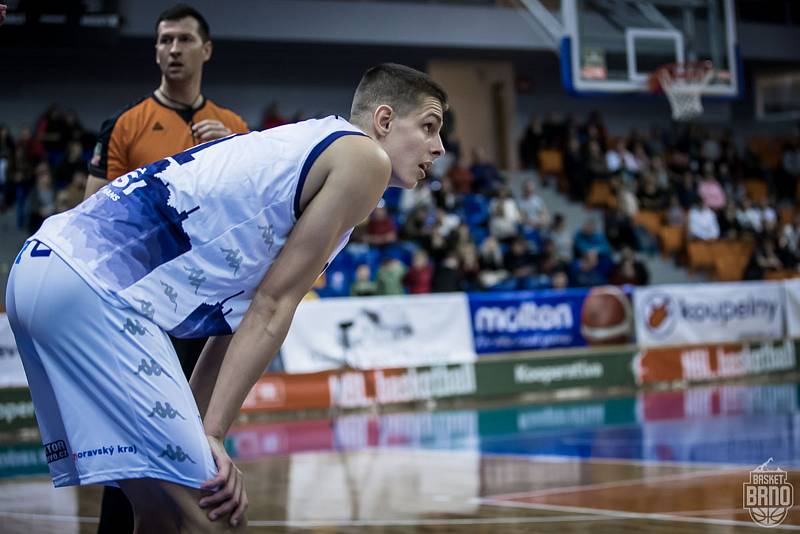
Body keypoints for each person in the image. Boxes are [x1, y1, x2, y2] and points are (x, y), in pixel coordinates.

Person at [6, 63, 447, 532]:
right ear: (383, 120)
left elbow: (235, 320)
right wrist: (211, 437)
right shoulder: (365, 159)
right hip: (94, 288)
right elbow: (272, 309)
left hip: (40, 268)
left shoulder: (307, 151)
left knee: (159, 515)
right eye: (429, 127)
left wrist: (204, 430)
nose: (439, 147)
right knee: (216, 515)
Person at [81, 6, 250, 530]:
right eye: (164, 40)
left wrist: (229, 155)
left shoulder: (237, 129)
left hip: (205, 314)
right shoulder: (125, 126)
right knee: (133, 445)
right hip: (142, 315)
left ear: (206, 50)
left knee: (199, 444)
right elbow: (92, 223)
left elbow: (249, 226)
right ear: (155, 51)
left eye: (183, 40)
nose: (172, 49)